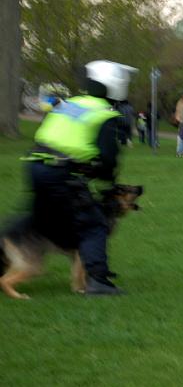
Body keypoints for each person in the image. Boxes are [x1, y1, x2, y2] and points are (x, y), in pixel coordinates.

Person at [20, 60, 135, 295]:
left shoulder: (70, 103)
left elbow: (60, 136)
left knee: (40, 222)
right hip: (58, 172)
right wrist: (104, 175)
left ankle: (7, 261)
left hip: (35, 166)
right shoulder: (104, 114)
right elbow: (108, 159)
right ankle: (98, 281)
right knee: (94, 224)